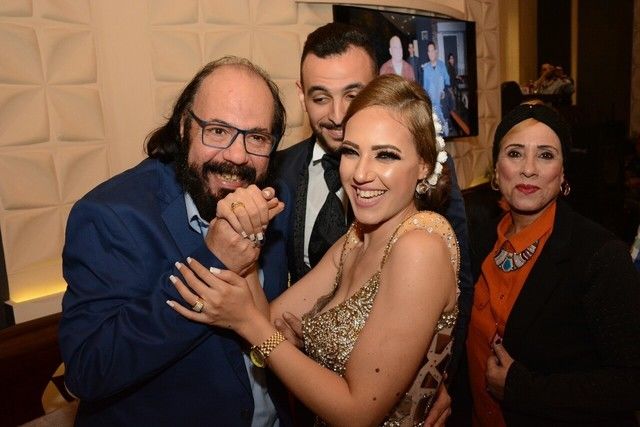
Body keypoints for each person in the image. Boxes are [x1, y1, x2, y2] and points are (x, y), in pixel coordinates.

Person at [168, 73, 460, 426]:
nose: (361, 173)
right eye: (351, 151)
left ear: (424, 165)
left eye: (386, 155)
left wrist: (247, 322)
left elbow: (357, 413)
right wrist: (248, 238)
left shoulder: (420, 246)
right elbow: (272, 321)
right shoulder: (356, 238)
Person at [59, 56, 294, 426]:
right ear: (184, 127)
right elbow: (88, 371)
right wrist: (213, 259)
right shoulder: (111, 215)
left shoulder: (274, 199)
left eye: (257, 138)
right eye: (218, 131)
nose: (237, 155)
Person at [272, 23, 473, 423]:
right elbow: (278, 308)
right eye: (320, 97)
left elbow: (456, 288)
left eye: (353, 94)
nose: (338, 114)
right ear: (301, 95)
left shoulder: (424, 204)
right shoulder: (278, 173)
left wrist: (431, 377)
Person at [465, 103, 640, 426]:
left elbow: (630, 382)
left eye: (545, 155)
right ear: (496, 170)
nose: (528, 169)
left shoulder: (600, 256)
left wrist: (523, 390)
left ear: (562, 174)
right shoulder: (480, 241)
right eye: (515, 153)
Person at [422, 41, 450, 136]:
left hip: (441, 101)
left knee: (444, 130)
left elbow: (447, 80)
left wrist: (444, 91)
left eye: (432, 50)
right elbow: (425, 87)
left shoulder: (442, 65)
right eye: (429, 51)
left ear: (436, 51)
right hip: (432, 103)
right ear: (428, 53)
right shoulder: (426, 68)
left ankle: (445, 126)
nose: (431, 53)